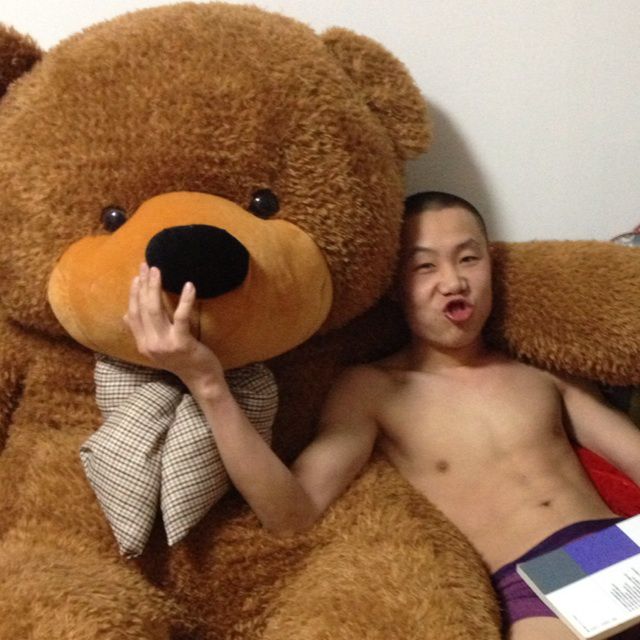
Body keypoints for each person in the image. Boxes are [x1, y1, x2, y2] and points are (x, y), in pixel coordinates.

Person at [124, 192, 640, 640]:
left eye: (469, 258)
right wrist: (207, 383)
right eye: (425, 267)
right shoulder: (373, 389)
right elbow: (291, 513)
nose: (453, 282)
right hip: (536, 582)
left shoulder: (541, 374)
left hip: (620, 544)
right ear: (396, 285)